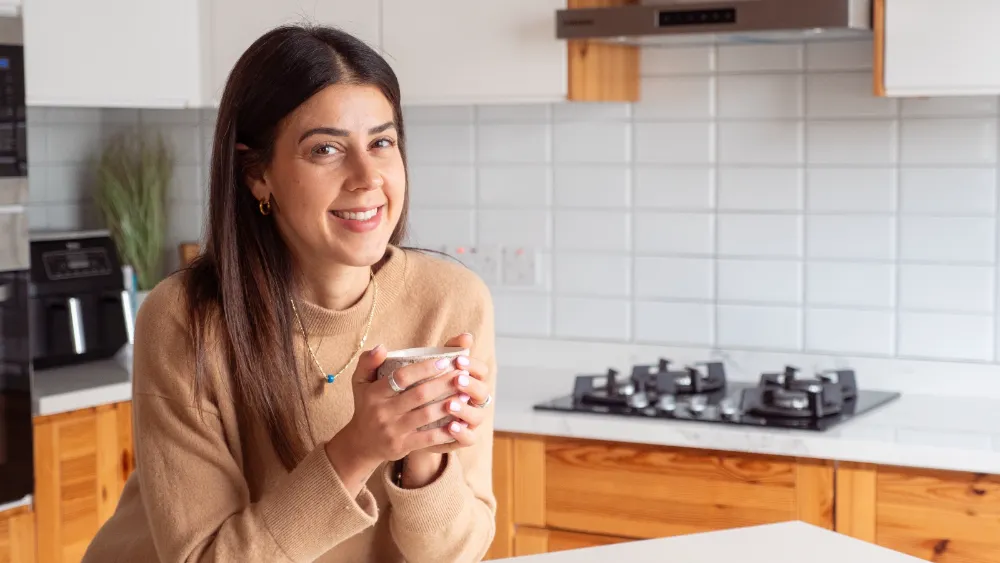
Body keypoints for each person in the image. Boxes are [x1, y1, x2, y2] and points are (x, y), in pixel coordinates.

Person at [82, 24, 497, 563]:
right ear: (257, 174)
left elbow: (457, 553)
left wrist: (421, 457)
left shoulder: (451, 301)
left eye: (382, 142)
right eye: (325, 149)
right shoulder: (185, 317)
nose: (366, 177)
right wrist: (358, 449)